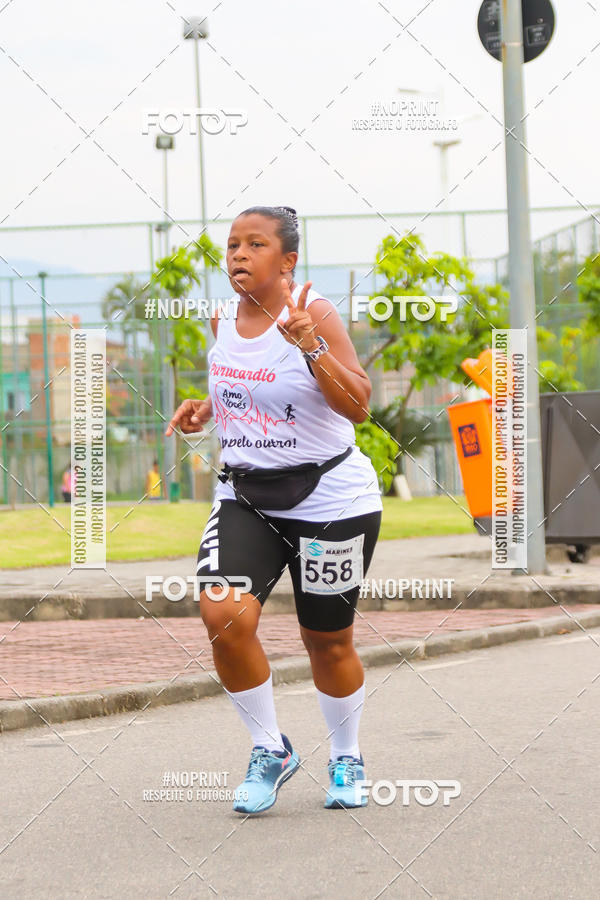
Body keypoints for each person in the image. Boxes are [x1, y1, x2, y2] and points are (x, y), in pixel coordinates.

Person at [166, 206, 382, 814]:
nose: (237, 254)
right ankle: (270, 748)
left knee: (326, 640)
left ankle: (346, 755)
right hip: (247, 496)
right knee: (223, 615)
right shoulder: (220, 316)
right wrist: (207, 406)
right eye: (232, 244)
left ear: (286, 261)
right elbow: (241, 375)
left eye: (254, 244)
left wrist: (311, 347)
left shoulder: (313, 312)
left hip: (330, 501)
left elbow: (358, 407)